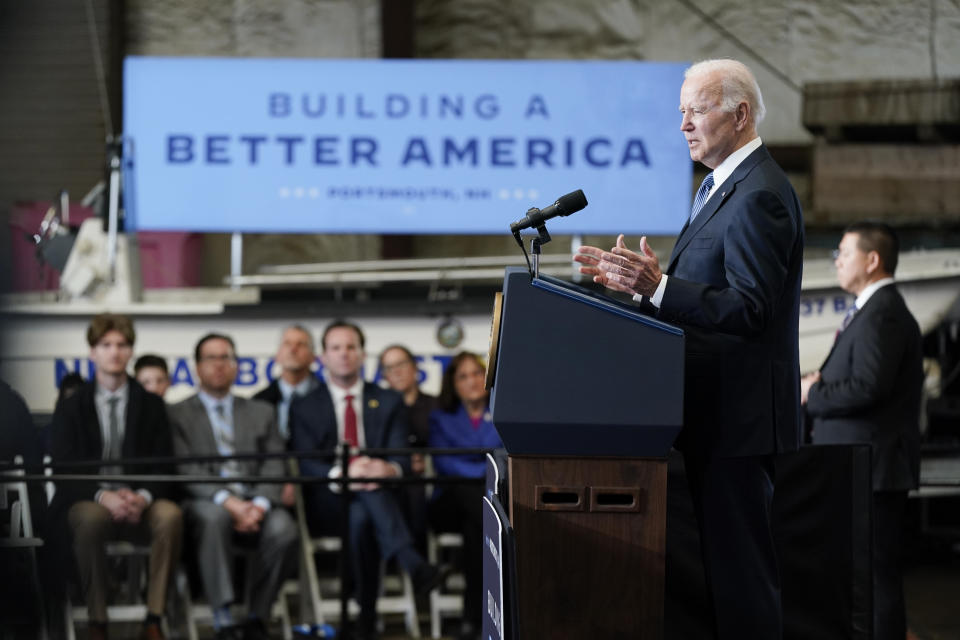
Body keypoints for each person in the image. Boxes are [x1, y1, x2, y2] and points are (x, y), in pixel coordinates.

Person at [574, 58, 804, 638]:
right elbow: (711, 294)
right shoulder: (722, 187)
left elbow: (751, 308)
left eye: (696, 110)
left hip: (738, 422)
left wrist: (661, 287)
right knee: (726, 583)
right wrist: (649, 289)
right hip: (716, 419)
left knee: (744, 582)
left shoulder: (759, 196)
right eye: (681, 112)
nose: (683, 125)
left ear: (740, 114)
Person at [801, 222, 923, 640]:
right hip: (861, 465)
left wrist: (813, 393)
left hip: (873, 467)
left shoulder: (883, 312)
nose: (836, 260)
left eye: (843, 252)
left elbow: (869, 387)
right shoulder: (872, 310)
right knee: (863, 575)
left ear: (872, 261)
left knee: (875, 577)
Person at [289, 320, 446, 640]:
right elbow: (305, 464)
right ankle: (409, 564)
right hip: (329, 503)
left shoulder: (388, 400)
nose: (344, 354)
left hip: (380, 497)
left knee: (361, 515)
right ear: (323, 357)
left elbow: (401, 458)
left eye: (351, 347)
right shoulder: (305, 405)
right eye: (336, 348)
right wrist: (344, 474)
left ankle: (364, 615)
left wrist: (385, 469)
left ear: (362, 355)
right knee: (361, 503)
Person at [47, 313, 183, 640]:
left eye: (122, 344)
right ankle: (98, 619)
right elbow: (63, 468)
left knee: (171, 515)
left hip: (139, 499)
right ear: (92, 352)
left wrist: (143, 496)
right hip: (91, 499)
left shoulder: (150, 404)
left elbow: (165, 465)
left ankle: (154, 616)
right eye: (105, 344)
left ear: (131, 351)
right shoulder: (71, 406)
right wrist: (102, 495)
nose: (114, 352)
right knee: (89, 519)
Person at [168, 333, 298, 640]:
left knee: (284, 530)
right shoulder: (176, 414)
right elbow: (185, 467)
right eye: (211, 358)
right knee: (215, 519)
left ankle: (257, 616)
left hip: (257, 500)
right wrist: (230, 502)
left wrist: (260, 505)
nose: (219, 365)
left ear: (236, 366)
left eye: (226, 358)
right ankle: (223, 617)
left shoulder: (260, 412)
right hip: (206, 500)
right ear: (197, 367)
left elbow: (274, 462)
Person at [427, 352, 503, 640]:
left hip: (480, 506)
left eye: (476, 374)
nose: (471, 381)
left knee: (477, 531)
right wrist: (481, 468)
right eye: (463, 376)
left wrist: (472, 466)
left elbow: (502, 457)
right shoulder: (440, 418)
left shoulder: (500, 411)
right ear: (453, 384)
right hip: (448, 505)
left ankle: (472, 618)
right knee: (468, 493)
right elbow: (445, 463)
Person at [378, 344, 438, 547]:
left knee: (416, 494)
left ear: (415, 367)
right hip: (391, 477)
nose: (396, 371)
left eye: (401, 364)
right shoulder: (377, 408)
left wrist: (427, 460)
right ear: (383, 375)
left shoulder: (435, 405)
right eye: (388, 367)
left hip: (430, 480)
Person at [254, 325, 320, 507]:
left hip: (318, 483)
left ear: (314, 356)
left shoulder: (329, 399)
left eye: (301, 344)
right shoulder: (259, 402)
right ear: (277, 354)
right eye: (287, 344)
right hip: (270, 484)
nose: (293, 349)